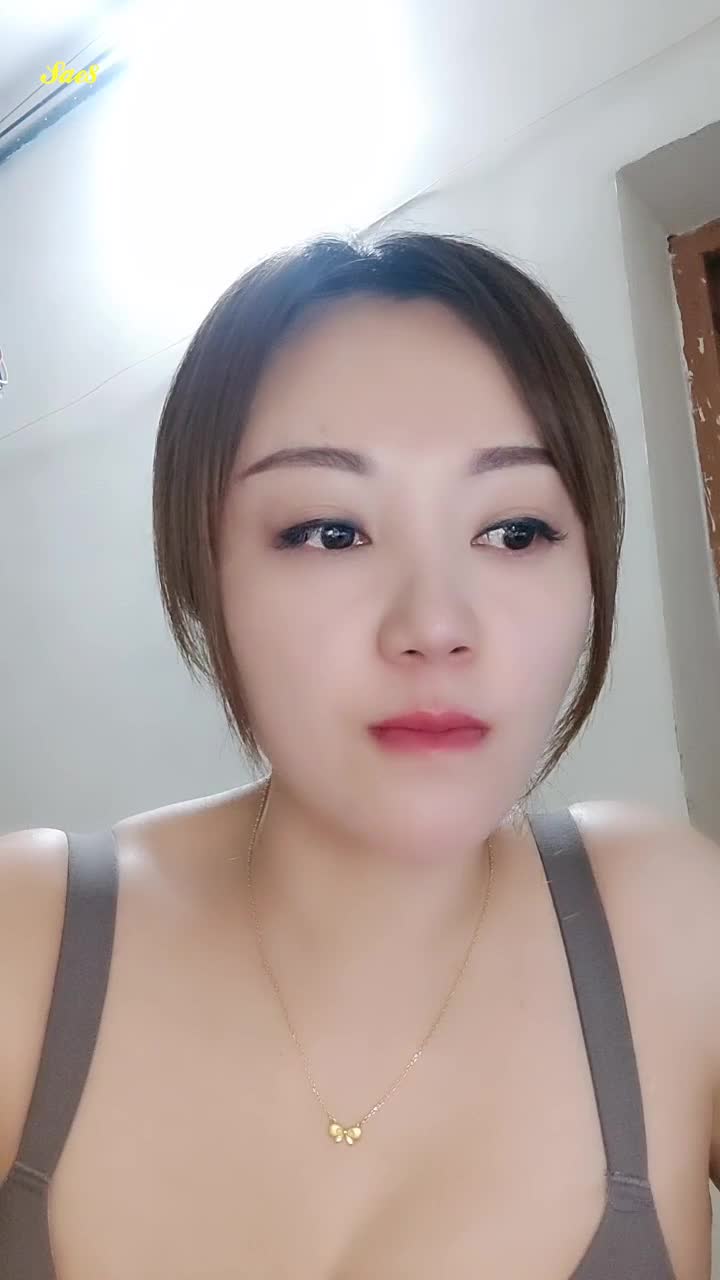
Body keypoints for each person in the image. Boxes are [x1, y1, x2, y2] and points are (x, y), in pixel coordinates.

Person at [0, 231, 719, 1280]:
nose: (435, 626)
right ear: (204, 571)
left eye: (515, 530)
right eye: (330, 532)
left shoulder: (670, 922)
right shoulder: (30, 936)